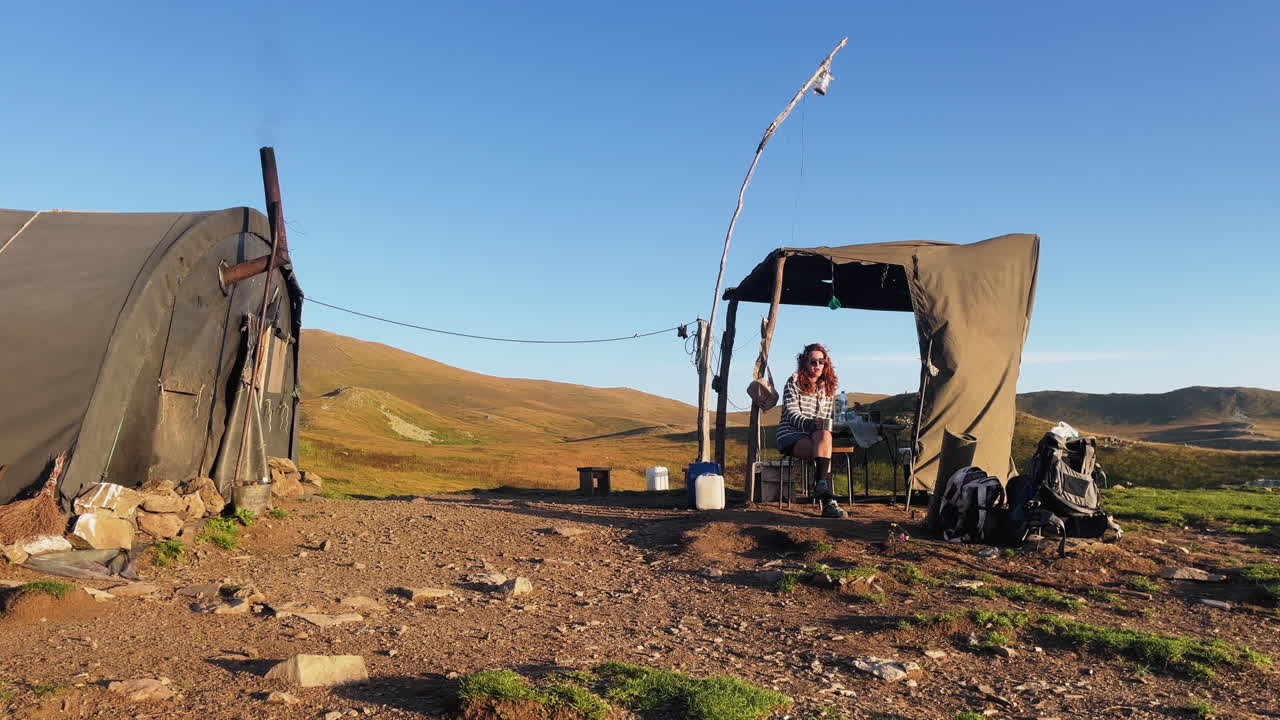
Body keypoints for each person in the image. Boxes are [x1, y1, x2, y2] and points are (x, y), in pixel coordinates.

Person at [777, 343, 847, 518]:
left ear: (826, 364)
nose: (817, 366)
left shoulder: (828, 387)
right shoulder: (793, 382)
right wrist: (810, 424)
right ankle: (828, 503)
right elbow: (792, 412)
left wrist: (840, 424)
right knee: (823, 454)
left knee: (824, 440)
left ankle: (822, 486)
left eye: (821, 362)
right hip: (791, 433)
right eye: (813, 361)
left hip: (817, 434)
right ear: (805, 363)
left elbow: (828, 416)